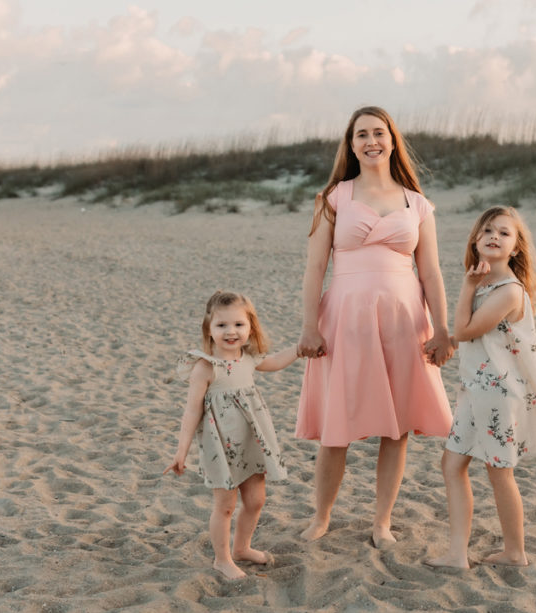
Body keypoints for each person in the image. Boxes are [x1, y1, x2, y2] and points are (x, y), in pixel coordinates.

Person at [296, 105, 454, 547]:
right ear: (351, 145)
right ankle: (322, 516)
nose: (371, 141)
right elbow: (314, 269)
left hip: (404, 319)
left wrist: (441, 329)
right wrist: (310, 327)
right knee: (337, 424)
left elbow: (432, 273)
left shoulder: (417, 203)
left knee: (398, 426)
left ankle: (381, 521)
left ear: (392, 140)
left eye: (379, 133)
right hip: (345, 319)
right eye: (361, 134)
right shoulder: (334, 198)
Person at [425, 207, 536, 569]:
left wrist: (467, 290)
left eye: (504, 233)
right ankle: (457, 553)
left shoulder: (509, 291)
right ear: (475, 239)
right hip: (477, 390)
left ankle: (516, 552)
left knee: (499, 471)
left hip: (500, 394)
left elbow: (470, 329)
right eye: (487, 230)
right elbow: (472, 334)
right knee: (452, 464)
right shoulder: (485, 286)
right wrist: (450, 339)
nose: (494, 237)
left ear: (516, 249)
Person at [164, 291, 299, 580]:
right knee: (225, 506)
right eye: (222, 325)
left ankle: (242, 548)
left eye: (238, 324)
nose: (231, 332)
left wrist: (300, 349)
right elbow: (191, 412)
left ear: (250, 327)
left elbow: (274, 362)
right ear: (209, 330)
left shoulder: (248, 358)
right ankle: (222, 559)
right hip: (220, 447)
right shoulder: (205, 367)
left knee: (256, 500)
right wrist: (181, 451)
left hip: (251, 442)